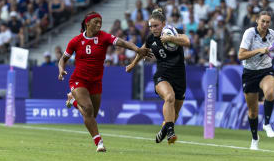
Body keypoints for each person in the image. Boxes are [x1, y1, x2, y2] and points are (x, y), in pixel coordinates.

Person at [58, 11, 151, 152]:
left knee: (92, 116)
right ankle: (99, 143)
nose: (99, 24)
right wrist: (61, 69)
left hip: (96, 82)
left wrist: (138, 49)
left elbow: (123, 42)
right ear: (87, 23)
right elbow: (63, 59)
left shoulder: (104, 37)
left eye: (100, 22)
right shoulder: (75, 41)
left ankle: (73, 101)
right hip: (79, 80)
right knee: (88, 109)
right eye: (96, 22)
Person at [126, 8, 190, 144]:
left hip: (179, 77)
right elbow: (142, 51)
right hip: (162, 75)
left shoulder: (173, 31)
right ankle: (170, 132)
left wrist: (170, 38)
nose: (153, 29)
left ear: (164, 23)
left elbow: (187, 41)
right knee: (169, 97)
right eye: (151, 26)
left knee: (175, 113)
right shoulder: (151, 39)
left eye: (156, 26)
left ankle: (164, 130)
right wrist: (132, 64)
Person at [238, 11, 274, 150]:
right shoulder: (249, 33)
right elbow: (241, 55)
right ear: (257, 21)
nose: (265, 24)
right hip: (249, 73)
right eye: (263, 21)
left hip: (266, 70)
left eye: (267, 22)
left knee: (270, 93)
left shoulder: (273, 34)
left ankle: (267, 123)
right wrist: (261, 50)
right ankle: (254, 138)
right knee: (252, 112)